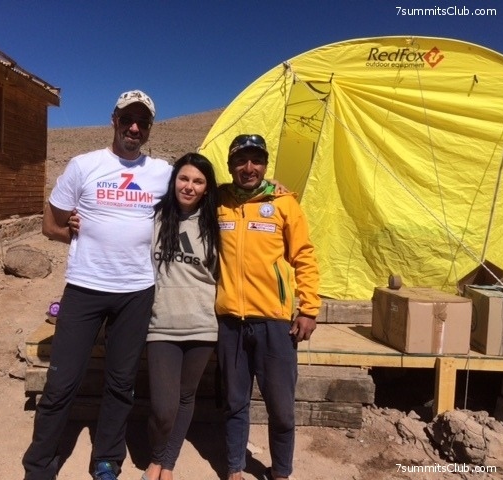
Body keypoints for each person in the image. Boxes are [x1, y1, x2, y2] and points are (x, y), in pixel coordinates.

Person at [22, 90, 173, 480]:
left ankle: (107, 459)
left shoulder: (162, 173)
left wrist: (269, 188)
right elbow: (50, 225)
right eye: (128, 119)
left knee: (121, 383)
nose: (134, 128)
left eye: (142, 122)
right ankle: (39, 465)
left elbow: (201, 188)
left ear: (150, 128)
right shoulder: (83, 165)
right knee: (61, 382)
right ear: (114, 120)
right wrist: (73, 233)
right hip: (85, 288)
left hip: (136, 291)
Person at [214, 134, 321, 480]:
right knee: (234, 403)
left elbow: (304, 256)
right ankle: (235, 468)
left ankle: (281, 472)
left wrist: (309, 308)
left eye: (256, 160)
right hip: (230, 322)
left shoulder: (283, 203)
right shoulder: (218, 201)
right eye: (241, 160)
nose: (249, 168)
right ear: (230, 165)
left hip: (274, 323)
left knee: (281, 408)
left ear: (265, 165)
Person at [142, 153, 220, 480]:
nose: (189, 186)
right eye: (184, 178)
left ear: (207, 188)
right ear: (174, 180)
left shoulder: (217, 223)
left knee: (186, 397)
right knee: (163, 408)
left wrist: (273, 187)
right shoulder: (153, 217)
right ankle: (157, 455)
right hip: (161, 325)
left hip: (202, 326)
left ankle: (167, 463)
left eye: (198, 181)